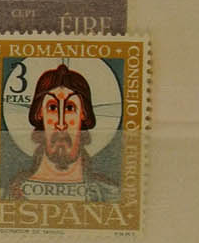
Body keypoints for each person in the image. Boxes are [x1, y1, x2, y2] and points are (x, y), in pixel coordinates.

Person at [7, 62, 117, 202]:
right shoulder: (11, 193)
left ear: (83, 114)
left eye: (70, 108)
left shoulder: (110, 194)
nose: (60, 124)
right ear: (40, 114)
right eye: (52, 108)